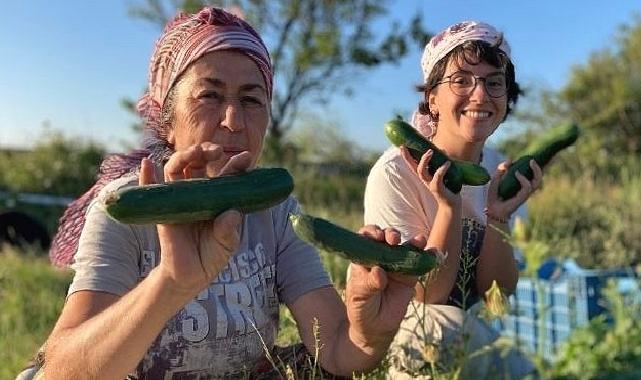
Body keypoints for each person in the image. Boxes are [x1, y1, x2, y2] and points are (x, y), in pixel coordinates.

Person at [26, 7, 434, 379]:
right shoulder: (125, 208)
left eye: (252, 100)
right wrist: (171, 282)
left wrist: (368, 333)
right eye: (210, 95)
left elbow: (338, 354)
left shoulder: (276, 211)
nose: (234, 120)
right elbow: (61, 371)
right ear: (167, 121)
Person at [363, 21, 539, 378]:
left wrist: (498, 216)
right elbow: (426, 297)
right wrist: (448, 207)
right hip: (408, 329)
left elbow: (496, 299)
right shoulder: (395, 172)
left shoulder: (500, 171)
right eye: (461, 80)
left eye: (494, 82)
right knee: (443, 334)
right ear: (432, 99)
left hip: (474, 332)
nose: (480, 95)